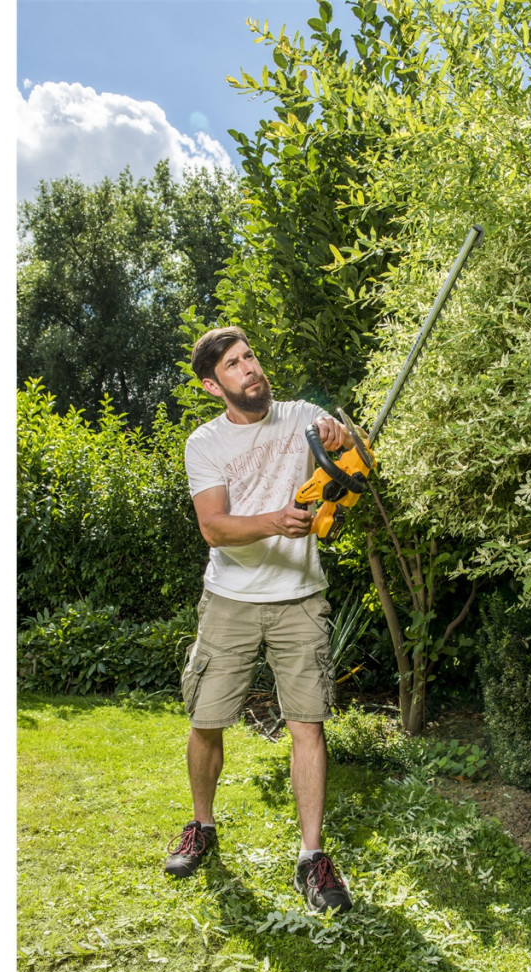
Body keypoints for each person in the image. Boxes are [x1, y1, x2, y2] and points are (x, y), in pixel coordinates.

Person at [163, 325, 354, 914]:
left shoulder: (300, 416)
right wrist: (274, 521)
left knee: (308, 725)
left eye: (249, 357)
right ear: (212, 385)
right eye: (233, 364)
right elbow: (214, 527)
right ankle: (201, 826)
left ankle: (312, 857)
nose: (249, 368)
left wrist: (342, 435)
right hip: (231, 599)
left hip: (300, 596)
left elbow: (350, 450)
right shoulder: (205, 443)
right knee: (206, 719)